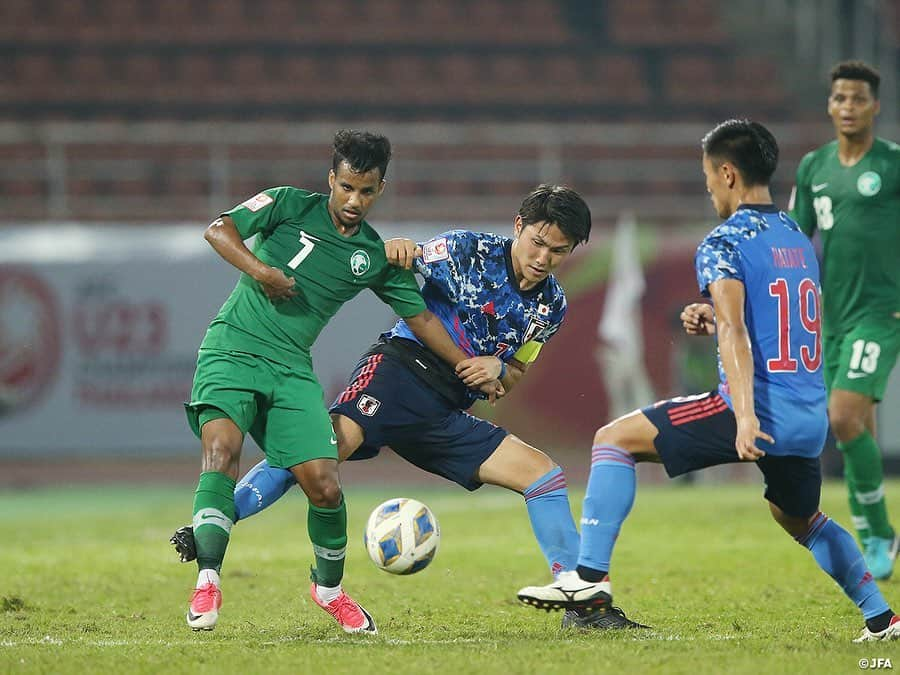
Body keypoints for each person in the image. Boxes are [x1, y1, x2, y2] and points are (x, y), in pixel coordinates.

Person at [517, 119, 900, 642]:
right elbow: (773, 315)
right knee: (799, 517)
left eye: (706, 177)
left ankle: (588, 580)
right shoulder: (795, 234)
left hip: (755, 408)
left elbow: (738, 331)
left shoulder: (724, 240)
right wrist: (711, 313)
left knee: (613, 440)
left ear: (726, 173)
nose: (707, 188)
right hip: (807, 415)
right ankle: (882, 617)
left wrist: (742, 415)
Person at [172, 185, 617, 624]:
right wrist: (405, 249)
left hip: (444, 412)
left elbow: (516, 371)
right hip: (398, 377)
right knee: (312, 458)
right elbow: (400, 257)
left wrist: (499, 372)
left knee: (544, 476)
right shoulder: (468, 249)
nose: (543, 259)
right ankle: (212, 526)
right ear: (519, 226)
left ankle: (578, 600)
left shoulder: (552, 306)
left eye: (558, 252)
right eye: (538, 243)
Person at [182, 129, 482, 634]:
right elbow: (218, 230)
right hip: (232, 347)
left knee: (322, 483)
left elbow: (423, 319)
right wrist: (263, 272)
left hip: (291, 367)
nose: (353, 200)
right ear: (331, 180)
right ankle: (208, 580)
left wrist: (465, 364)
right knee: (222, 450)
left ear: (380, 189)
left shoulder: (372, 255)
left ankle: (329, 591)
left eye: (366, 191)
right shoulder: (286, 204)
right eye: (346, 187)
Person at [789, 60, 900, 580]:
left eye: (858, 99)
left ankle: (876, 530)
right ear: (830, 106)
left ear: (875, 106)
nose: (849, 107)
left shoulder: (893, 165)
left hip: (880, 314)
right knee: (858, 426)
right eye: (840, 99)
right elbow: (795, 242)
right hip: (831, 318)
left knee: (842, 417)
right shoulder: (814, 168)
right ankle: (872, 526)